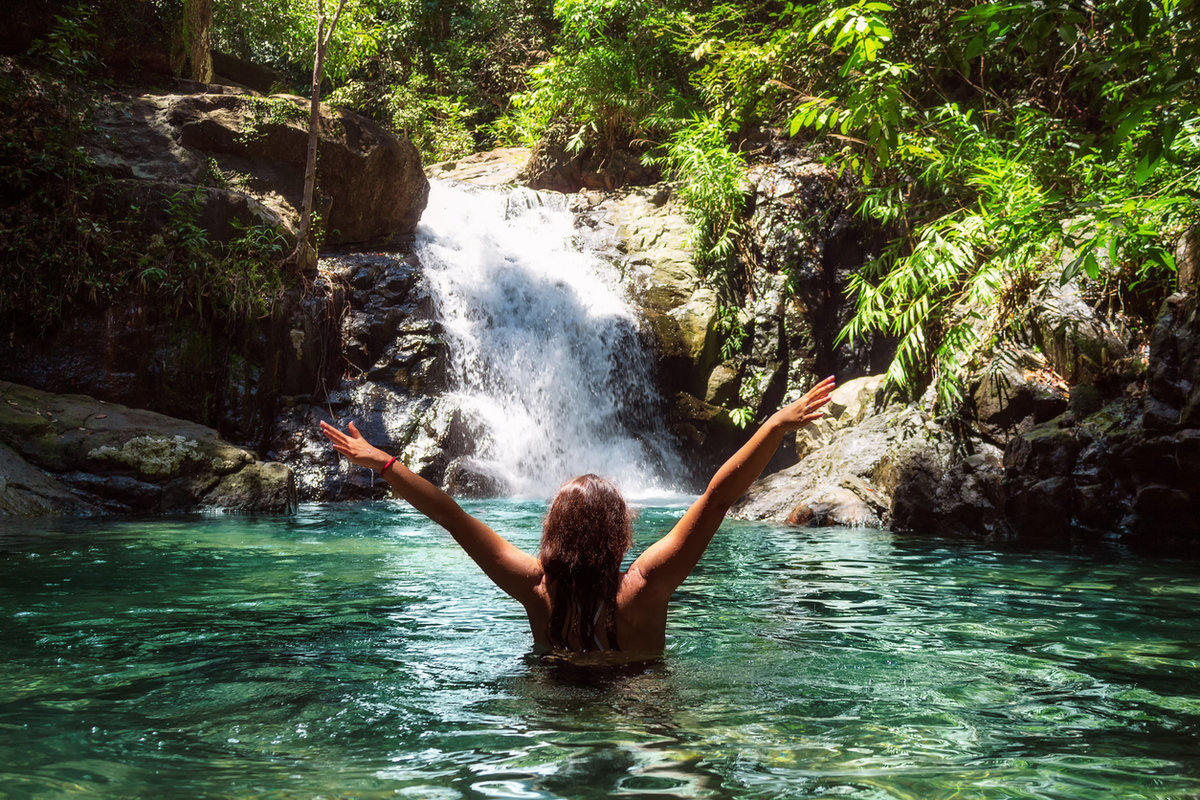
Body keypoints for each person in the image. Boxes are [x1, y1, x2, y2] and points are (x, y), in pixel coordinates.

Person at [320, 375, 835, 661]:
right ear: (619, 531)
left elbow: (451, 516)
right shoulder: (646, 586)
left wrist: (384, 463)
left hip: (552, 711)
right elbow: (718, 497)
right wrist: (775, 424)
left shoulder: (534, 588)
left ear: (554, 531)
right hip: (642, 711)